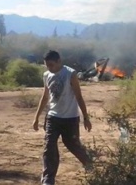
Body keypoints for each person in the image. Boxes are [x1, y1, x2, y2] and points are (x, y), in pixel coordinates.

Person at [32, 50, 92, 185]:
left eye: (52, 65)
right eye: (47, 65)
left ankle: (90, 164)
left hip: (70, 118)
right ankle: (48, 179)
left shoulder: (70, 74)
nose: (49, 68)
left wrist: (86, 118)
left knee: (73, 144)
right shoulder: (46, 75)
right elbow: (45, 96)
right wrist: (36, 117)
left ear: (59, 61)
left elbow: (79, 96)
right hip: (53, 117)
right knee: (49, 147)